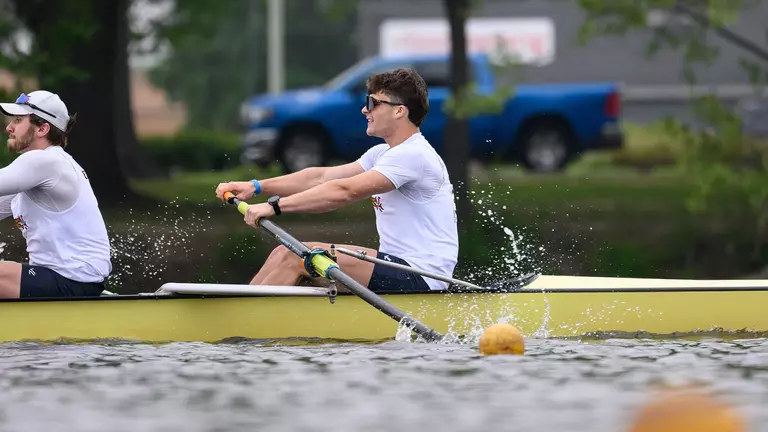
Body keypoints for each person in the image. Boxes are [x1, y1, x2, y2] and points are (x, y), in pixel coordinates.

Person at [215, 68, 459, 293]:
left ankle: (244, 324)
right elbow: (319, 177)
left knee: (293, 258)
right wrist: (256, 186)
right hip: (396, 266)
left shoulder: (413, 155)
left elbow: (344, 191)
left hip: (422, 275)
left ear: (399, 111)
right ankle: (239, 315)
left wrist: (273, 207)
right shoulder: (381, 154)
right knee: (282, 253)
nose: (364, 110)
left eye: (372, 103)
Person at [0, 90, 112, 298]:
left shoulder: (46, 162)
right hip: (60, 278)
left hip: (73, 281)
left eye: (18, 120)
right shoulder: (35, 172)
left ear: (42, 129)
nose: (9, 127)